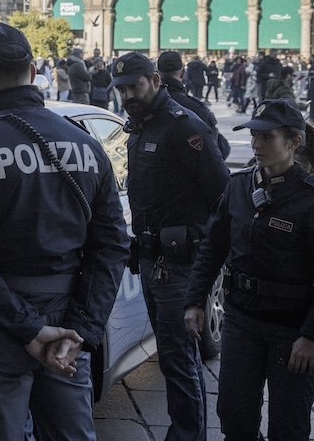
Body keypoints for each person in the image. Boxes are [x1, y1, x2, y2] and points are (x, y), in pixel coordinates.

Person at [0, 23, 129, 441]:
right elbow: (113, 245)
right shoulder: (85, 144)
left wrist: (27, 328)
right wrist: (82, 328)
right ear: (31, 70)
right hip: (66, 323)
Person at [184, 100, 314, 441]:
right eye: (254, 135)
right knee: (233, 417)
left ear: (293, 142)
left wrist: (312, 336)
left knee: (288, 427)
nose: (256, 145)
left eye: (266, 137)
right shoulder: (239, 186)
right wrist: (194, 300)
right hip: (242, 322)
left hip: (293, 331)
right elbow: (213, 246)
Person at [111, 52, 230, 441]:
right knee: (171, 356)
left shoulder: (183, 127)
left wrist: (199, 250)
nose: (128, 94)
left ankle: (186, 435)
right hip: (149, 259)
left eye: (135, 85)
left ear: (156, 81)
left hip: (179, 264)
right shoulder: (139, 125)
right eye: (122, 88)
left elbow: (222, 196)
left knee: (179, 361)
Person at [157, 52, 230, 159]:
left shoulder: (146, 107)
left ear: (157, 74)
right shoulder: (197, 108)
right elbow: (218, 150)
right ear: (182, 73)